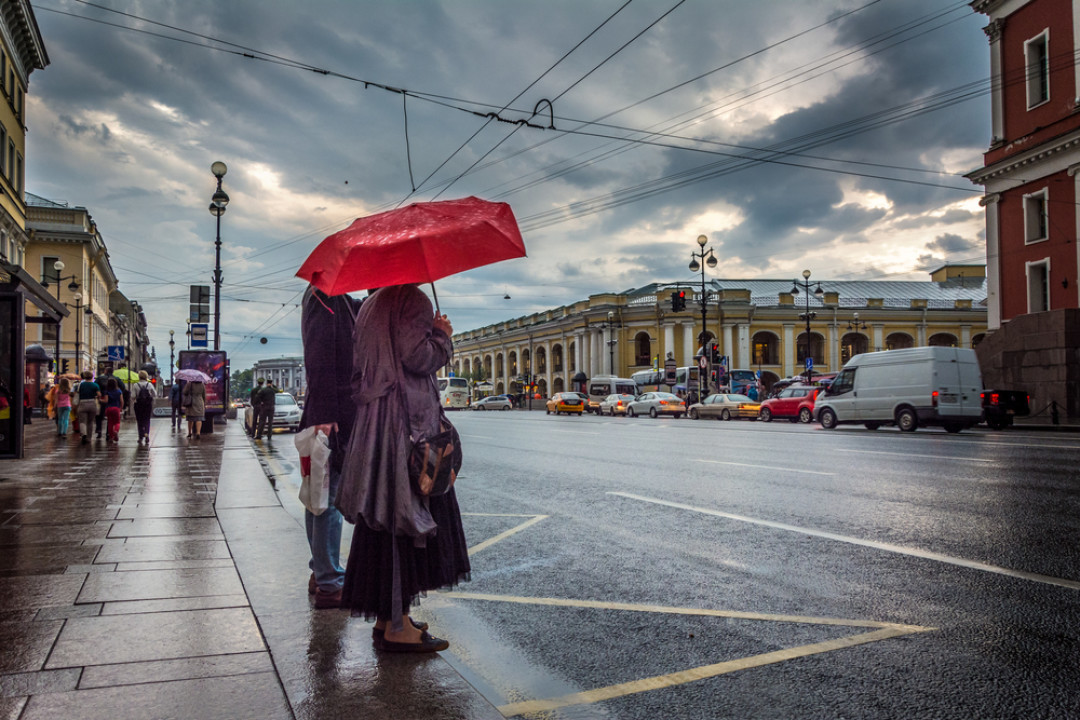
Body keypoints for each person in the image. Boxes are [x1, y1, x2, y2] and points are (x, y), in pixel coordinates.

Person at [337, 284, 470, 653]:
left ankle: (388, 617)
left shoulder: (369, 306)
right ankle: (397, 626)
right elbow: (417, 357)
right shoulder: (411, 298)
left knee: (382, 517)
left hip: (376, 424)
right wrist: (442, 335)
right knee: (405, 517)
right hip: (406, 427)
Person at [298, 284, 362, 609]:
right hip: (332, 415)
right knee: (328, 499)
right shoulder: (324, 295)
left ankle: (320, 571)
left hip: (329, 413)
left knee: (318, 496)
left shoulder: (336, 298)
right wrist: (325, 415)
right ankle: (329, 581)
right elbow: (319, 355)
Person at [75, 370, 103, 445]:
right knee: (90, 422)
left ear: (84, 377)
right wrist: (96, 396)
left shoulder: (81, 385)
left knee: (82, 421)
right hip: (92, 403)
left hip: (82, 403)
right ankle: (89, 438)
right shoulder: (95, 385)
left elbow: (77, 393)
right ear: (92, 376)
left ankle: (83, 434)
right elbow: (99, 394)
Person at [132, 370, 155, 445]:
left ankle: (140, 436)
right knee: (147, 420)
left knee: (139, 420)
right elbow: (155, 394)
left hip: (138, 405)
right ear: (146, 376)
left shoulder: (135, 385)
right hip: (148, 405)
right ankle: (146, 435)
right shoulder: (149, 384)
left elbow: (133, 396)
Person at [103, 378, 124, 444]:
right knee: (117, 422)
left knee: (110, 423)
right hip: (116, 408)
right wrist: (121, 407)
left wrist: (100, 400)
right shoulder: (119, 391)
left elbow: (106, 401)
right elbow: (121, 401)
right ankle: (116, 431)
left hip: (108, 408)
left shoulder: (107, 391)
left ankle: (111, 437)